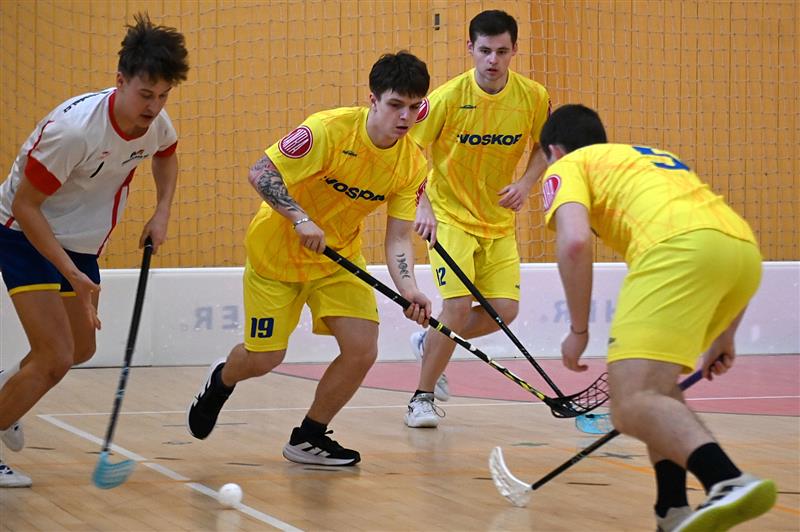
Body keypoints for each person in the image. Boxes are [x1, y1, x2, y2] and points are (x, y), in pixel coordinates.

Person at [186, 51, 432, 467]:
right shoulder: (327, 131)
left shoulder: (411, 164)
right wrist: (300, 218)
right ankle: (222, 378)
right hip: (276, 254)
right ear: (372, 99)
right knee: (264, 358)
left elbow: (398, 238)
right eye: (395, 105)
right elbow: (261, 172)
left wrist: (409, 288)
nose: (405, 117)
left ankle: (308, 437)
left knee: (362, 348)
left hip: (337, 259)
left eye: (413, 107)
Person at [538, 104, 776, 531]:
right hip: (741, 251)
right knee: (658, 390)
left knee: (630, 404)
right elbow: (717, 234)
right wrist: (726, 332)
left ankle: (727, 480)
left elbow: (573, 241)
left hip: (678, 252)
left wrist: (578, 330)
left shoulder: (568, 164)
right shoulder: (640, 156)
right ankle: (672, 511)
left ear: (552, 150)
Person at [0, 13, 189, 488]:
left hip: (79, 242)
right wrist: (71, 272)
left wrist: (161, 210)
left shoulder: (156, 123)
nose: (154, 107)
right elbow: (26, 206)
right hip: (22, 233)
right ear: (120, 80)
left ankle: (9, 393)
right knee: (55, 357)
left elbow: (166, 155)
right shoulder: (75, 132)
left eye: (163, 95)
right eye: (145, 94)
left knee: (80, 348)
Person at [405, 9, 551, 427]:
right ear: (469, 48)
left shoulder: (533, 96)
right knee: (456, 305)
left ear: (514, 51)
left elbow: (544, 144)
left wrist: (526, 183)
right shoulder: (447, 98)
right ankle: (422, 398)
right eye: (484, 50)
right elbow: (409, 152)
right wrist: (423, 204)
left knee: (504, 309)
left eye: (502, 52)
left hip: (498, 220)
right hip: (448, 214)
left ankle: (429, 340)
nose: (493, 60)